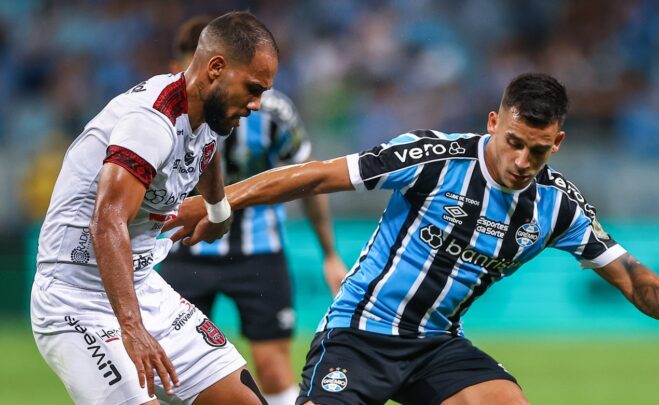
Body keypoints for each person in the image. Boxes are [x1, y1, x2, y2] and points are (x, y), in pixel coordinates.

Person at [165, 73, 659, 405]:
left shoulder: (559, 205)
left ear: (557, 143)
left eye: (538, 150)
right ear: (494, 123)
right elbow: (317, 176)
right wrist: (220, 201)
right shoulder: (433, 157)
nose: (522, 162)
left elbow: (633, 280)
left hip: (438, 345)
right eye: (513, 142)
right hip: (359, 334)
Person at [30, 11, 278, 405]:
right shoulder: (150, 122)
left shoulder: (207, 113)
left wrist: (217, 209)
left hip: (143, 289)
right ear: (216, 68)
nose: (257, 103)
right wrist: (132, 329)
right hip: (76, 300)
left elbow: (205, 148)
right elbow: (107, 221)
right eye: (252, 88)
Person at [159, 16, 348, 405]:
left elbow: (308, 180)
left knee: (273, 369)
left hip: (259, 251)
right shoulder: (160, 112)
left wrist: (329, 253)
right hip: (185, 247)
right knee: (166, 371)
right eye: (179, 70)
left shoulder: (273, 112)